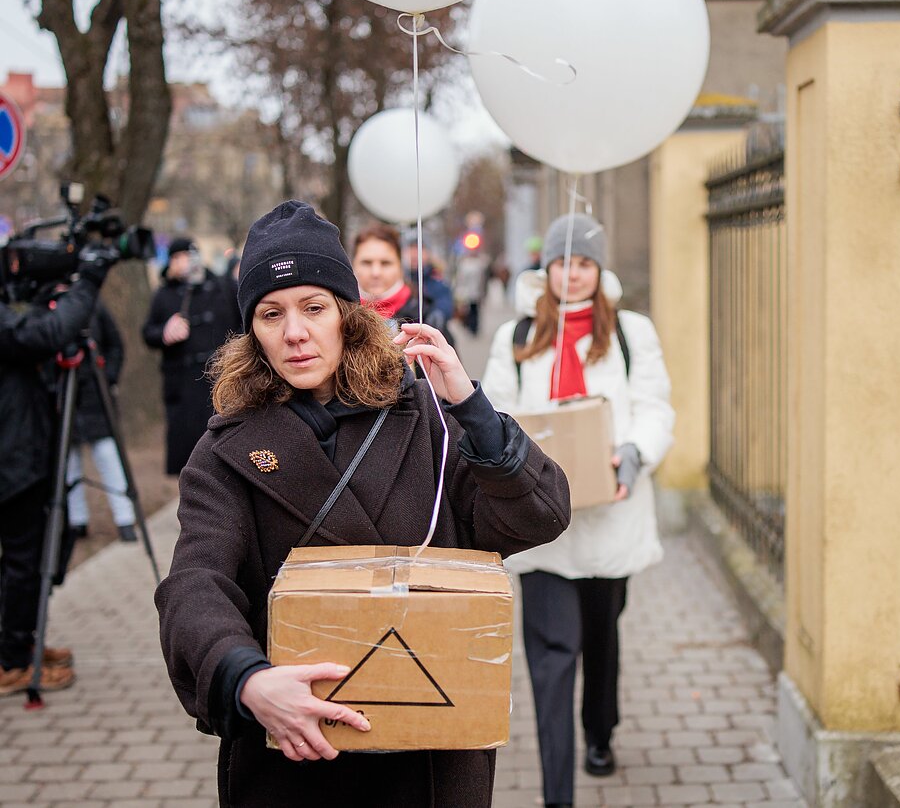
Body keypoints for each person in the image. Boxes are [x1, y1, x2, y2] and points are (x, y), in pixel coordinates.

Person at [155, 201, 572, 807]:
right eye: (271, 314)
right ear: (253, 332)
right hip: (295, 756)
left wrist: (474, 412)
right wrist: (248, 681)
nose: (294, 332)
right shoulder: (225, 451)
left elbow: (542, 515)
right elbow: (195, 584)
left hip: (429, 757)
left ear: (348, 316)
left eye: (314, 308)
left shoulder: (423, 413)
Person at [480, 213, 675, 808]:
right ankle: (557, 794)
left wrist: (635, 453)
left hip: (611, 517)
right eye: (564, 262)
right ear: (548, 270)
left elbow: (654, 404)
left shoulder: (628, 333)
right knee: (551, 659)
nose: (574, 273)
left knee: (602, 637)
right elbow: (495, 411)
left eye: (585, 262)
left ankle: (601, 729)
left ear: (599, 269)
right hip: (544, 529)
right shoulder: (516, 337)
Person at [0, 252, 118, 695]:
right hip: (12, 457)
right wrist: (86, 279)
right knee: (23, 560)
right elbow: (48, 332)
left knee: (28, 555)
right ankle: (12, 661)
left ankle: (19, 644)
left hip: (21, 447)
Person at [142, 237, 238, 475]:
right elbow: (148, 332)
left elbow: (242, 325)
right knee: (189, 457)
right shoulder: (164, 295)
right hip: (182, 385)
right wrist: (165, 332)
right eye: (177, 258)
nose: (183, 263)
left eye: (186, 256)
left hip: (220, 382)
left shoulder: (223, 288)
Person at [64, 302, 136, 543]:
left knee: (108, 457)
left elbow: (115, 344)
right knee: (69, 464)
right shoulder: (53, 309)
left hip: (97, 398)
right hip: (65, 399)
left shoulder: (95, 307)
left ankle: (125, 519)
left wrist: (108, 378)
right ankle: (77, 522)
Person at [351, 223, 454, 345]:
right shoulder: (341, 315)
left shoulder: (424, 317)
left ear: (400, 266)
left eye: (385, 263)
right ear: (353, 264)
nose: (376, 272)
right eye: (366, 263)